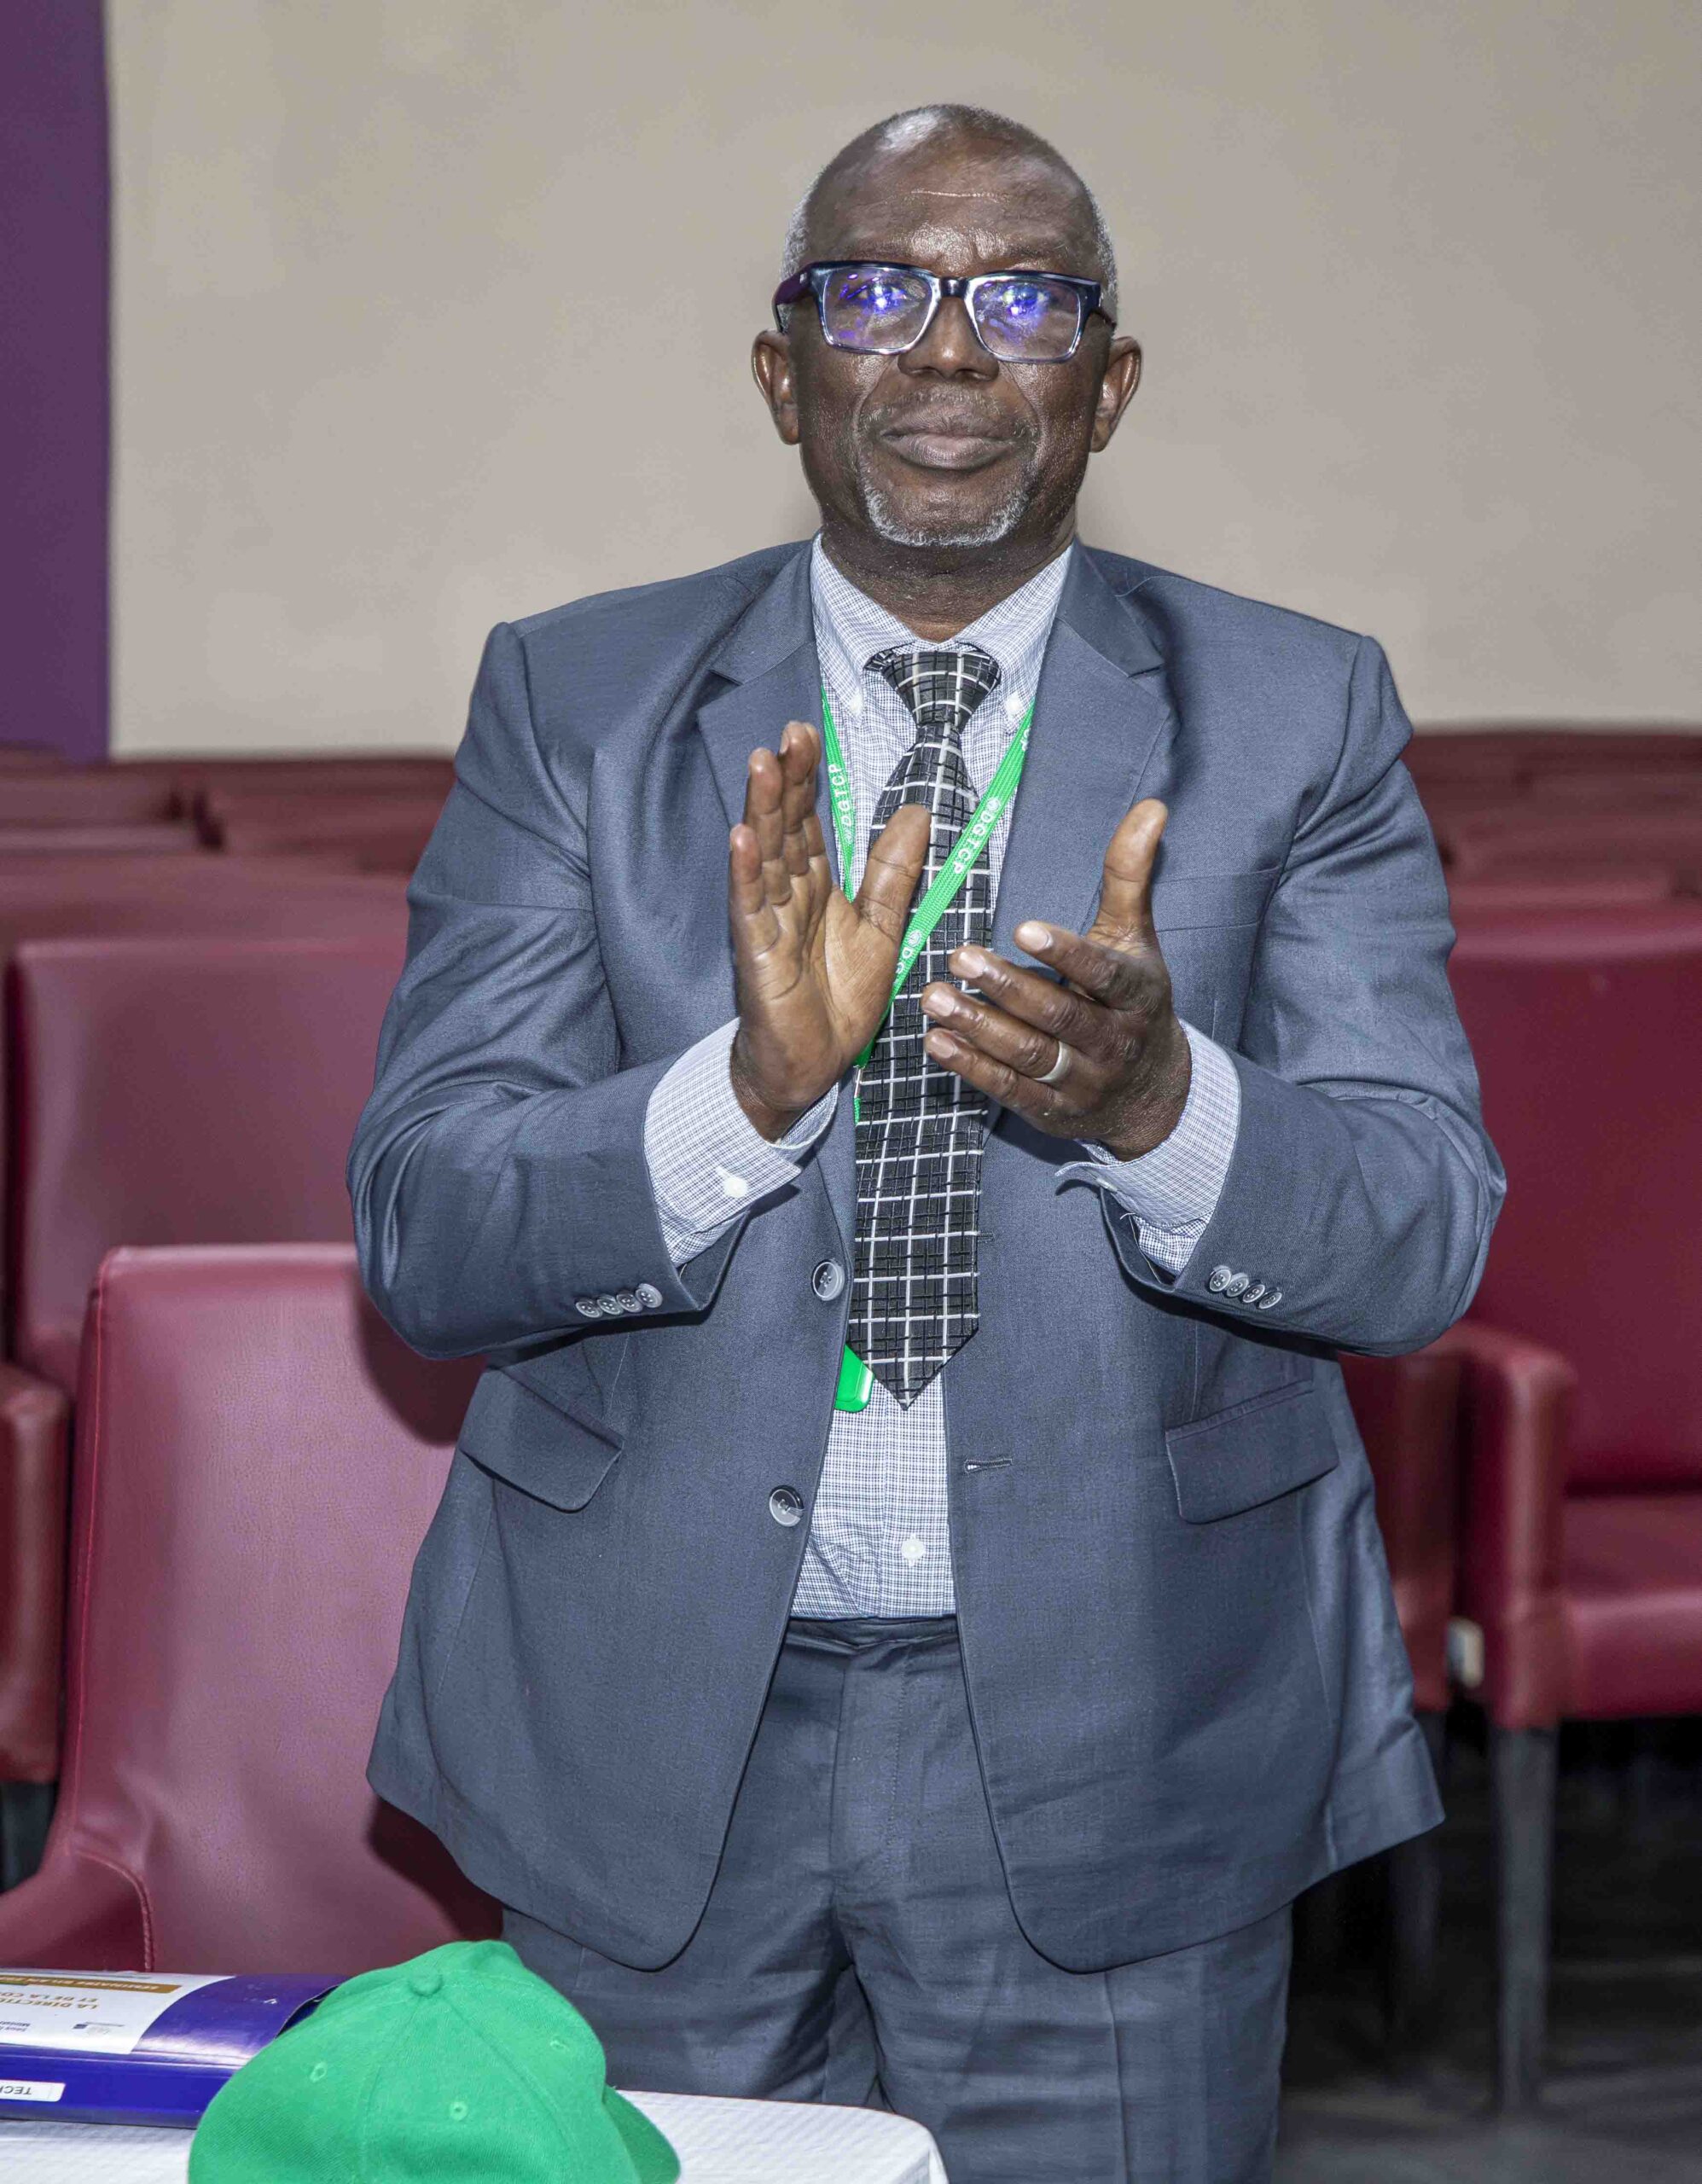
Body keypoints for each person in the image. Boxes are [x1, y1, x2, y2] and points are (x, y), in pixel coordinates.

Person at [349, 103, 1503, 2184]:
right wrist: (739, 1098)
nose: (950, 348)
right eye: (878, 289)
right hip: (649, 1734)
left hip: (1123, 1729)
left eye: (1024, 300)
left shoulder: (1296, 711)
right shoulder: (573, 698)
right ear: (779, 368)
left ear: (1108, 383)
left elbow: (1415, 1230)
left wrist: (1157, 1106)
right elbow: (428, 1227)